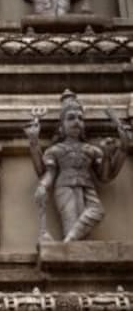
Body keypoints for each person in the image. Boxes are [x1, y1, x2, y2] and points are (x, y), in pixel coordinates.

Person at [25, 90, 130, 242]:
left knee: (97, 211)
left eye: (80, 118)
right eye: (71, 118)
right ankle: (70, 245)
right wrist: (43, 185)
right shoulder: (56, 150)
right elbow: (48, 173)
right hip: (64, 187)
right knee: (70, 219)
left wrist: (108, 154)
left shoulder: (92, 150)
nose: (77, 122)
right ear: (61, 127)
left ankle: (68, 242)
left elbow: (105, 176)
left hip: (88, 187)